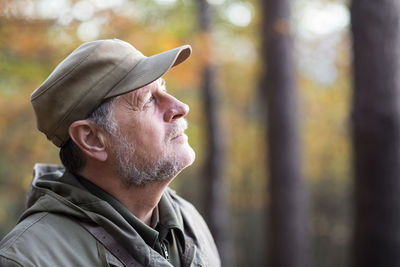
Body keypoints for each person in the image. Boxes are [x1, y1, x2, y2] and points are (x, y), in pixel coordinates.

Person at [0, 39, 220, 267]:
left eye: (163, 88)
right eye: (147, 100)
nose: (181, 107)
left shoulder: (189, 221)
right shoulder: (27, 260)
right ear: (92, 139)